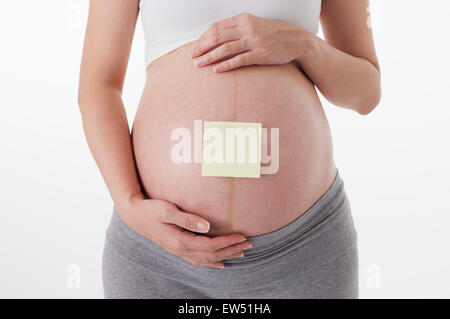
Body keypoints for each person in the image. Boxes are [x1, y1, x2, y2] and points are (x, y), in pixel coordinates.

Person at [78, 0, 381, 298]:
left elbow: (365, 92)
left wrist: (305, 46)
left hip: (302, 249)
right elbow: (99, 84)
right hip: (158, 256)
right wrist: (129, 204)